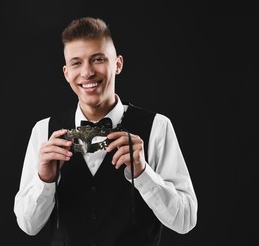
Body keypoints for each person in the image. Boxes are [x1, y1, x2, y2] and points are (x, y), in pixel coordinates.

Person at [13, 17, 197, 246]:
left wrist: (143, 173)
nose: (87, 72)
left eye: (98, 59)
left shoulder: (158, 126)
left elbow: (185, 220)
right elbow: (28, 226)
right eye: (76, 63)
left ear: (117, 64)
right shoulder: (43, 130)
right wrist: (45, 179)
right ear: (66, 72)